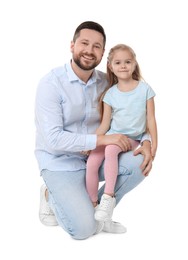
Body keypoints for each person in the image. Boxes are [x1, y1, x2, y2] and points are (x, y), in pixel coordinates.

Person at [35, 21, 153, 240]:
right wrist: (100, 140)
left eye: (96, 46)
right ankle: (50, 194)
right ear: (72, 45)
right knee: (83, 230)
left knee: (140, 162)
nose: (89, 50)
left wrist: (146, 140)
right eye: (84, 43)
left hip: (95, 160)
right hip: (60, 164)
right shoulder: (50, 84)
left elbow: (132, 115)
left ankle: (100, 210)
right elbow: (52, 139)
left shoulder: (107, 83)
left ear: (102, 53)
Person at [86, 44, 157, 222]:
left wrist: (153, 146)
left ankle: (108, 198)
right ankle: (93, 204)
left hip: (131, 138)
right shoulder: (110, 94)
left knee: (110, 150)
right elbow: (104, 125)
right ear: (110, 66)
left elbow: (150, 120)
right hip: (112, 135)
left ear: (134, 64)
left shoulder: (145, 90)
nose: (123, 66)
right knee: (92, 161)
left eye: (127, 62)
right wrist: (91, 142)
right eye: (118, 62)